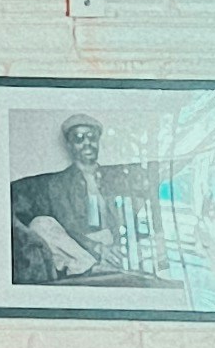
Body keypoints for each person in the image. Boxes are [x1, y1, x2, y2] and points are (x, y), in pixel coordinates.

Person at [9, 113, 154, 288]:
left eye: (92, 137)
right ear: (70, 146)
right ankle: (91, 266)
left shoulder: (115, 177)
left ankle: (113, 264)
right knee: (41, 224)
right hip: (79, 244)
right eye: (79, 138)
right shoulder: (58, 183)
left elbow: (131, 216)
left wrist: (122, 243)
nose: (87, 143)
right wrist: (98, 249)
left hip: (115, 243)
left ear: (98, 142)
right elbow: (67, 224)